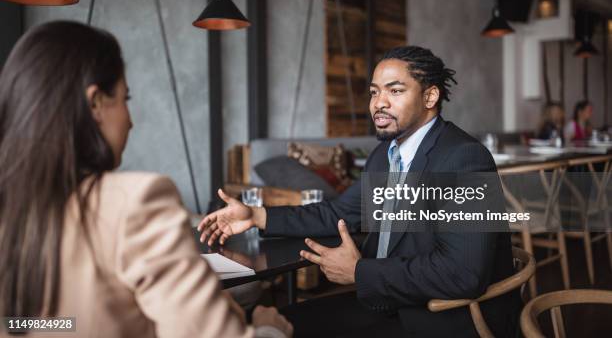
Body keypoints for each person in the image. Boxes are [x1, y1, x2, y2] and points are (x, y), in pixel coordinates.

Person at [199, 46, 518, 337]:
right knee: (276, 321)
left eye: (395, 90)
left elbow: (463, 274)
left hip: (443, 320)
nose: (379, 102)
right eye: (375, 92)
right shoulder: (385, 156)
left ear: (430, 97)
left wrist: (359, 271)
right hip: (389, 302)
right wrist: (256, 215)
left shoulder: (464, 158)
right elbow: (338, 213)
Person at [0, 21, 292, 338]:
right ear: (96, 103)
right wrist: (268, 329)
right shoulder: (135, 202)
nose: (131, 121)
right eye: (126, 99)